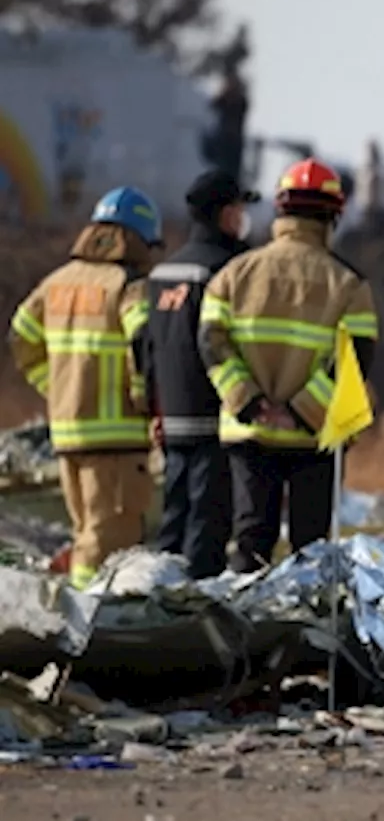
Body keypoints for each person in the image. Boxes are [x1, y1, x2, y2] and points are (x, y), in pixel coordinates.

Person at [198, 158, 379, 573]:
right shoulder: (348, 283)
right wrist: (299, 411)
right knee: (311, 553)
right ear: (333, 215)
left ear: (281, 211)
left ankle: (246, 631)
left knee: (251, 542)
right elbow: (356, 359)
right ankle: (304, 632)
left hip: (249, 431)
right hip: (315, 437)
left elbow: (211, 344)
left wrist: (251, 403)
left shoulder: (232, 274)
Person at [9, 186, 163, 589]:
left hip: (68, 435)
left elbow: (21, 336)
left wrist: (56, 388)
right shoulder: (130, 285)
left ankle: (79, 620)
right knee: (109, 543)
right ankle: (91, 630)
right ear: (139, 239)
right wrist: (145, 400)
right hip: (117, 441)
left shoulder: (56, 283)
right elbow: (143, 345)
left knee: (85, 537)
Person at [146, 169, 260, 579]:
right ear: (226, 214)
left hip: (172, 418)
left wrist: (152, 410)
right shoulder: (228, 270)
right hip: (217, 419)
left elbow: (146, 349)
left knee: (173, 523)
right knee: (207, 530)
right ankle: (190, 618)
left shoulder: (162, 274)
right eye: (241, 209)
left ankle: (156, 600)